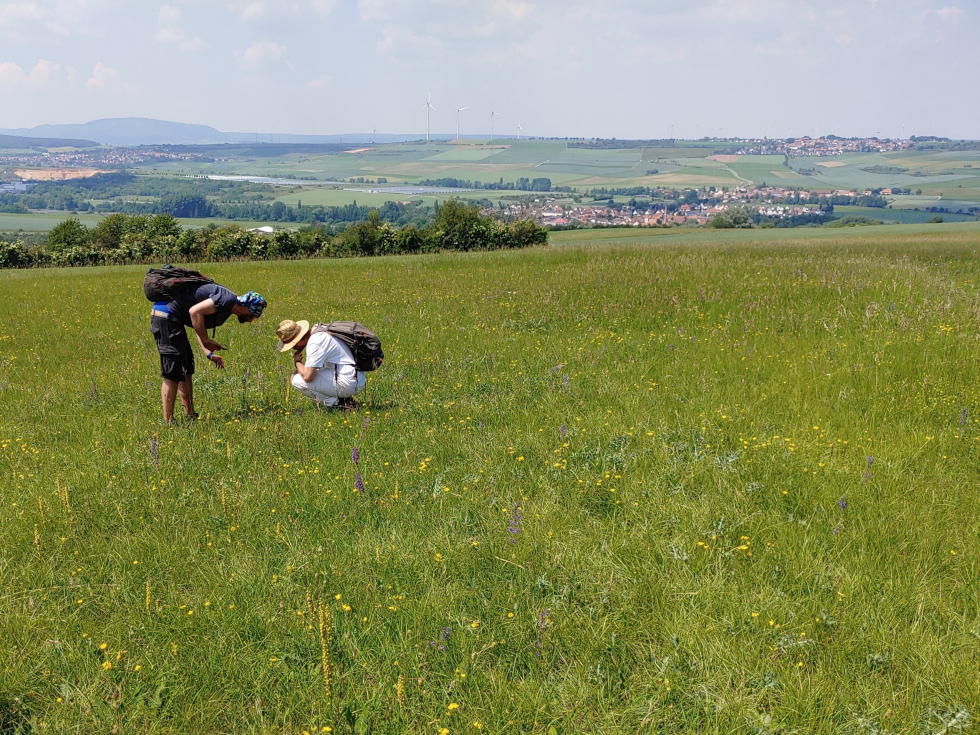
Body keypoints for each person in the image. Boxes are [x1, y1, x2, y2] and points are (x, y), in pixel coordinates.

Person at [151, 285, 267, 422]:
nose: (252, 320)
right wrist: (206, 341)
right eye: (254, 315)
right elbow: (194, 312)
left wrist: (209, 353)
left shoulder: (227, 307)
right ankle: (168, 422)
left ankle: (190, 416)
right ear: (248, 308)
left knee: (186, 367)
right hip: (166, 315)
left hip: (173, 318)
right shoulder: (227, 300)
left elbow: (198, 324)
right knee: (172, 372)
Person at [276, 319, 367, 408]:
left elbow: (308, 377)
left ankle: (339, 404)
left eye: (292, 346)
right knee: (308, 372)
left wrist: (297, 362)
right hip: (355, 375)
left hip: (348, 381)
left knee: (296, 380)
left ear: (298, 342)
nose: (292, 349)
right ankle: (343, 399)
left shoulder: (315, 343)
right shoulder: (320, 329)